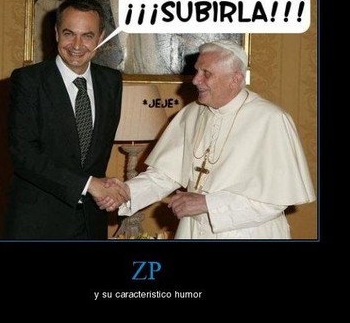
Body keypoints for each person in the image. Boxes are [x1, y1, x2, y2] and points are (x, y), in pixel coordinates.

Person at [105, 40, 315, 239]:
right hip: (193, 230)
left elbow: (275, 201)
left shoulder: (271, 120)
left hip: (248, 233)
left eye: (206, 73)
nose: (196, 80)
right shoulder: (192, 113)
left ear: (235, 79)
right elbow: (165, 175)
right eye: (197, 71)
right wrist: (125, 192)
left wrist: (207, 204)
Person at [3, 0, 128, 240]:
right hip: (37, 223)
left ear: (101, 37)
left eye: (87, 35)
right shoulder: (28, 81)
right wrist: (88, 184)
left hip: (90, 223)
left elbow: (92, 156)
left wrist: (105, 188)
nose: (77, 45)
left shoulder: (111, 81)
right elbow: (24, 155)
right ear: (56, 33)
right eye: (69, 34)